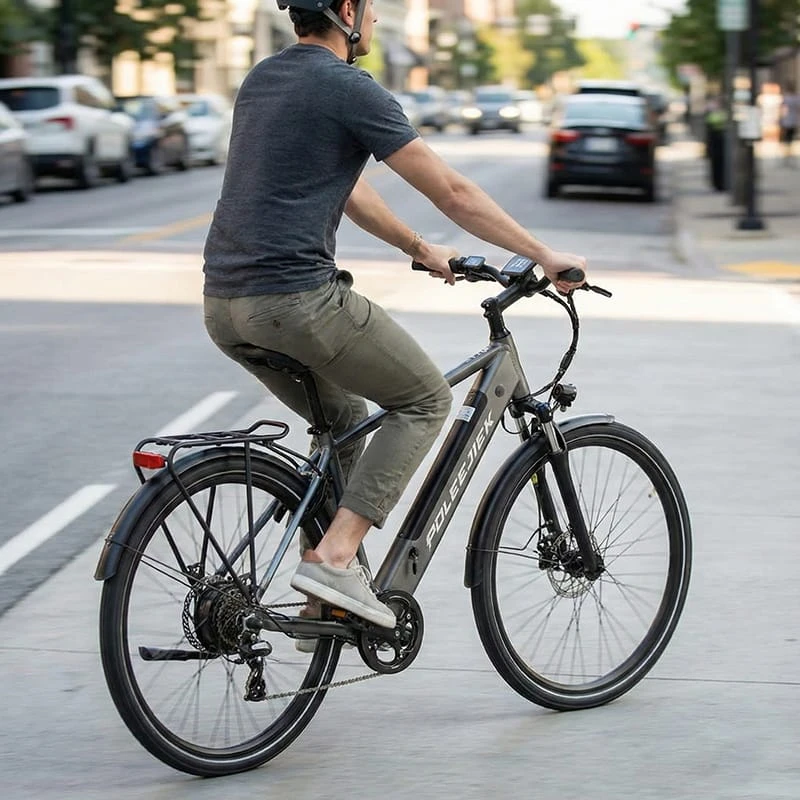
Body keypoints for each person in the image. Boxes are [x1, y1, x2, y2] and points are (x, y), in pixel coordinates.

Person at [202, 0, 588, 630]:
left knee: (347, 421)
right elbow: (453, 191)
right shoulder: (348, 86)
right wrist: (542, 254)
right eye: (374, 9)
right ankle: (335, 556)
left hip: (224, 307)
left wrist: (418, 247)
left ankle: (320, 597)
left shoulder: (262, 80)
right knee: (426, 400)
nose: (376, 21)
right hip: (296, 302)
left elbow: (347, 187)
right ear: (348, 11)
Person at [779, 81, 799, 166]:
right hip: (793, 121)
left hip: (787, 121)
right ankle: (788, 157)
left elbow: (781, 109)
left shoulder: (786, 97)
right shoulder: (796, 98)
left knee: (787, 140)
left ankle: (786, 157)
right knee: (789, 140)